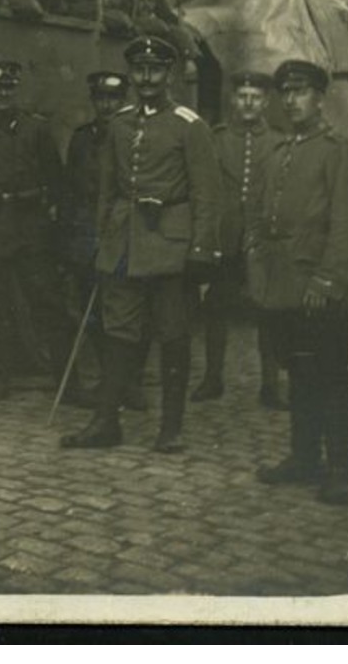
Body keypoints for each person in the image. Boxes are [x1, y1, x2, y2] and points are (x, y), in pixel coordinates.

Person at [61, 36, 223, 452]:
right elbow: (108, 190)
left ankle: (171, 428)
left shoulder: (190, 125)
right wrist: (103, 240)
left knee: (172, 334)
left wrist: (202, 252)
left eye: (155, 70)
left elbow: (207, 194)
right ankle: (105, 422)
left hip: (170, 244)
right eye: (139, 70)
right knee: (118, 331)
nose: (146, 78)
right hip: (124, 244)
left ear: (168, 74)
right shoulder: (120, 122)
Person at [249, 60, 348, 505]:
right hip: (283, 288)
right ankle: (304, 458)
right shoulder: (279, 152)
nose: (291, 100)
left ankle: (339, 470)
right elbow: (261, 219)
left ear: (320, 98)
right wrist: (258, 268)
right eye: (285, 92)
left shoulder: (337, 151)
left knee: (332, 378)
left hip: (319, 290)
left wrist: (326, 280)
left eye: (300, 92)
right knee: (299, 374)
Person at [0, 60, 75, 404]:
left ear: (16, 89)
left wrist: (52, 222)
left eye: (9, 88)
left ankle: (68, 381)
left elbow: (57, 181)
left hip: (30, 227)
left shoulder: (36, 130)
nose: (3, 95)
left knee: (49, 304)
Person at [194, 70, 285, 408]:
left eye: (255, 97)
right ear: (233, 100)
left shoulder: (277, 142)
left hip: (262, 240)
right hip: (225, 237)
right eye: (242, 96)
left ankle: (271, 386)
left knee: (269, 311)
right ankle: (212, 379)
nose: (248, 102)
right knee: (216, 310)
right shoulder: (216, 139)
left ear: (265, 102)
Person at [63, 71, 145, 412]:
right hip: (87, 236)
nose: (107, 105)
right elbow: (71, 191)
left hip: (126, 235)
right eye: (101, 99)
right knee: (93, 310)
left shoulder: (136, 136)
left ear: (123, 100)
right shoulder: (81, 140)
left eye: (113, 99)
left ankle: (132, 382)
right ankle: (109, 379)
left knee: (130, 312)